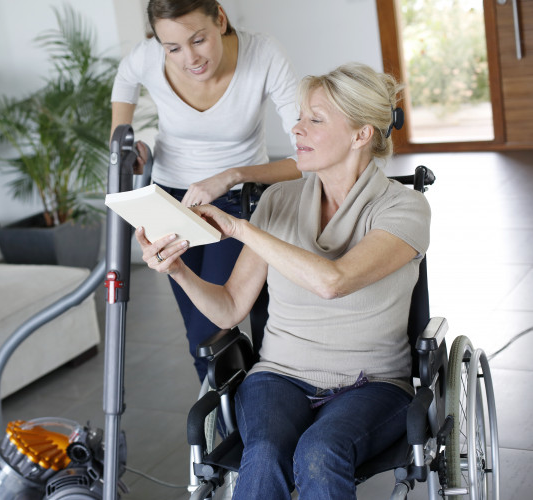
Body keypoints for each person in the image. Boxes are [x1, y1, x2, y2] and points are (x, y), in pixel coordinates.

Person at [135, 62, 431, 499]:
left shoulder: (404, 209)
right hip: (278, 376)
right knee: (265, 450)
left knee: (320, 450)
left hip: (373, 384)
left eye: (315, 119)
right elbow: (231, 307)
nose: (296, 129)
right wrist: (177, 269)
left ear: (361, 134)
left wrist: (240, 228)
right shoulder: (278, 201)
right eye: (299, 117)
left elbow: (334, 281)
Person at [111, 0, 301, 381]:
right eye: (173, 48)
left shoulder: (262, 53)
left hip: (236, 200)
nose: (190, 58)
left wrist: (231, 174)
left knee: (213, 328)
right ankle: (223, 432)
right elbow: (125, 81)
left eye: (198, 40)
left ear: (221, 18)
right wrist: (125, 144)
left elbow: (307, 157)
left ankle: (261, 408)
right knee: (200, 338)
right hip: (169, 199)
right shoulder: (148, 57)